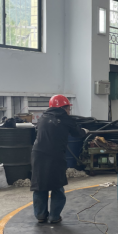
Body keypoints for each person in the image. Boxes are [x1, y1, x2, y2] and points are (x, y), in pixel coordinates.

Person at [30, 95, 86, 224]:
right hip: (55, 155)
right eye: (68, 109)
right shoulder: (65, 118)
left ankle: (40, 215)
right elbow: (77, 133)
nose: (69, 111)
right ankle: (54, 216)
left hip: (37, 155)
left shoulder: (43, 117)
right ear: (63, 108)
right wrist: (85, 131)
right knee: (57, 186)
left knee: (40, 185)